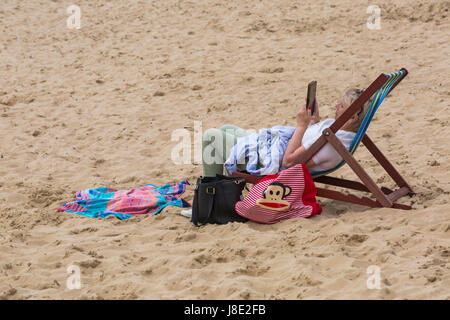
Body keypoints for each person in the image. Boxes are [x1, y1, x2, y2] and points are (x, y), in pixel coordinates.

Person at [202, 88, 372, 177]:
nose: (336, 106)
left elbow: (289, 162)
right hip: (273, 148)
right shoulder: (338, 130)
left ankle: (210, 197)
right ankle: (225, 187)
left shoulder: (334, 143)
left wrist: (301, 126)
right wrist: (314, 121)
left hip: (271, 162)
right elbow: (312, 143)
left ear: (353, 117)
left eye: (341, 106)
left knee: (211, 136)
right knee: (226, 129)